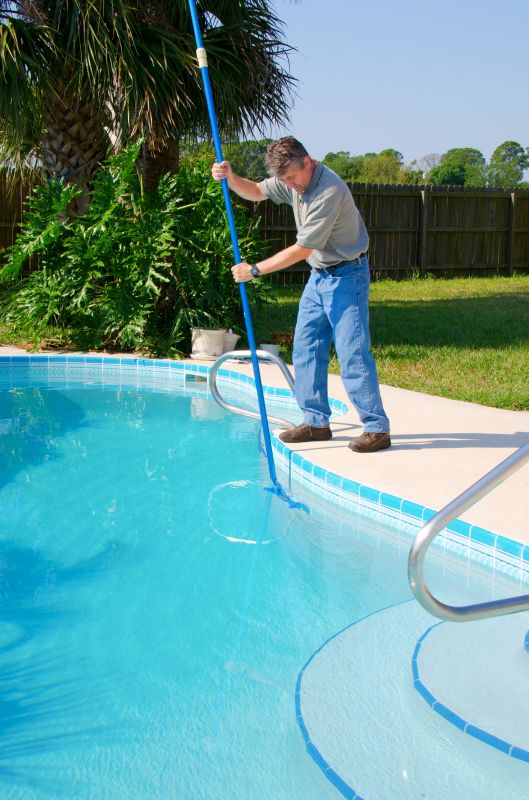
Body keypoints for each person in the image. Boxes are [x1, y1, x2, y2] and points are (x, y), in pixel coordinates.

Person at [211, 136, 390, 453]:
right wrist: (230, 176)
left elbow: (302, 248)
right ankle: (316, 422)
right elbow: (256, 191)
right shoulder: (294, 182)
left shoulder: (328, 191)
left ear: (308, 162)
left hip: (348, 275)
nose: (289, 185)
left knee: (352, 353)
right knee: (306, 349)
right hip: (319, 275)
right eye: (284, 180)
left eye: (292, 177)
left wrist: (255, 270)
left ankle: (376, 427)